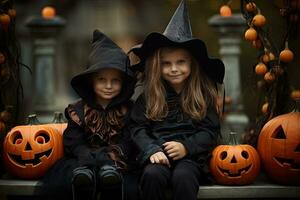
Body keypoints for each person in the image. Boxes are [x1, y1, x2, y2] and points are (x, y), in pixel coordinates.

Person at [128, 0, 225, 200]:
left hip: (190, 159)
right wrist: (151, 150)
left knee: (184, 177)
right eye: (166, 63)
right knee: (152, 175)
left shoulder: (202, 96)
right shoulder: (149, 97)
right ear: (157, 66)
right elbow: (137, 128)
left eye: (181, 62)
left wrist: (186, 147)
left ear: (192, 64)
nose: (174, 68)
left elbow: (210, 131)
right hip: (157, 156)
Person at [39, 30, 137, 200]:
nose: (108, 86)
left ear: (123, 82)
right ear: (91, 81)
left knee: (124, 186)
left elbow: (129, 140)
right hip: (82, 162)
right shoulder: (78, 110)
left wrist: (109, 156)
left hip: (118, 162)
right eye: (102, 80)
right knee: (76, 180)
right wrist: (86, 155)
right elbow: (73, 140)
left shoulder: (128, 110)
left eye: (115, 80)